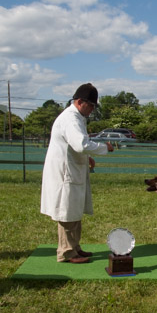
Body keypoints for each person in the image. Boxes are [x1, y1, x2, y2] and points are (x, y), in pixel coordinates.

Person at [41, 83, 114, 263]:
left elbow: (76, 145)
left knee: (74, 210)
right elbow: (80, 144)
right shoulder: (70, 119)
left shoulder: (77, 117)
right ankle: (66, 252)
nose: (92, 110)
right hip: (65, 172)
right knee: (66, 212)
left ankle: (75, 247)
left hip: (72, 168)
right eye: (91, 106)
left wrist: (87, 157)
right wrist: (104, 147)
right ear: (80, 101)